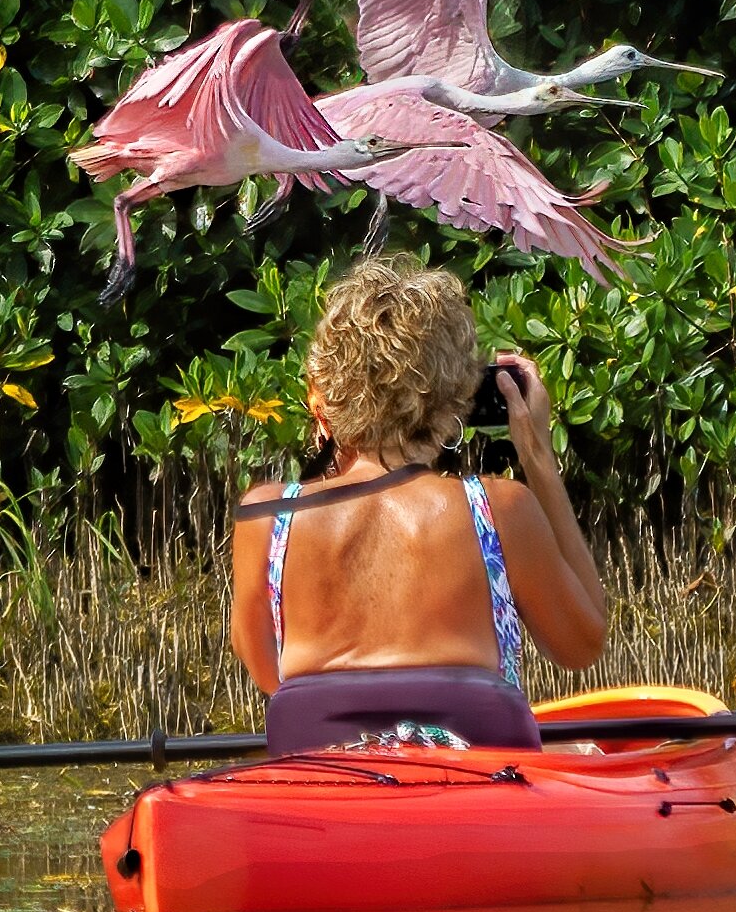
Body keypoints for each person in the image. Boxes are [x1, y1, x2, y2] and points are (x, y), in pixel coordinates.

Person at [230, 254, 606, 754]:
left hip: (325, 799)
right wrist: (536, 453)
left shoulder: (265, 517)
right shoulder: (500, 509)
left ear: (328, 391)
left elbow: (271, 673)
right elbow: (582, 645)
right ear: (455, 394)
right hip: (478, 804)